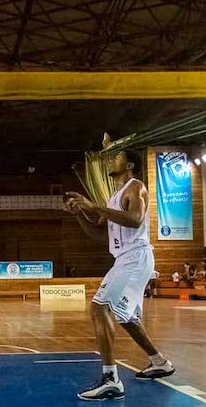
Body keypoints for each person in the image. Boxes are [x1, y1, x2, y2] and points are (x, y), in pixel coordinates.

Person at [65, 134, 175, 401]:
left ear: (129, 166)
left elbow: (135, 220)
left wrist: (93, 205)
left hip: (136, 256)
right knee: (128, 318)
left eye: (116, 157)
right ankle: (160, 362)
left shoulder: (136, 188)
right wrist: (80, 212)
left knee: (99, 307)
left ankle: (111, 379)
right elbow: (99, 236)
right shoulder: (114, 197)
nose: (111, 161)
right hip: (125, 258)